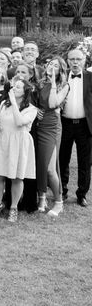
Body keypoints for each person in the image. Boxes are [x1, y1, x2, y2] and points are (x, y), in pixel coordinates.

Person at [0, 79, 38, 222]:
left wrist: (13, 101)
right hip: (3, 141)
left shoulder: (31, 109)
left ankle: (13, 208)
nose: (14, 89)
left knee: (17, 177)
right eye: (14, 86)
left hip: (19, 144)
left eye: (18, 87)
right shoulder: (4, 104)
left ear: (25, 91)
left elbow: (19, 122)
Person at [35, 56, 68, 216]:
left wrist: (54, 81)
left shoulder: (64, 85)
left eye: (56, 66)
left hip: (52, 127)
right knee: (40, 163)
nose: (51, 67)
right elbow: (33, 102)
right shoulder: (40, 83)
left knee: (50, 168)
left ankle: (59, 201)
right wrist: (35, 111)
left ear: (60, 70)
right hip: (38, 126)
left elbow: (53, 103)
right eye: (50, 64)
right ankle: (42, 197)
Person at [59, 49, 92, 207]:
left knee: (84, 161)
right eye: (72, 59)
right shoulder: (61, 77)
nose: (75, 62)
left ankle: (82, 194)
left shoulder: (90, 77)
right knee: (62, 158)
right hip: (64, 123)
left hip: (85, 126)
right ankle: (62, 190)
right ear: (67, 60)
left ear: (84, 60)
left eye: (78, 59)